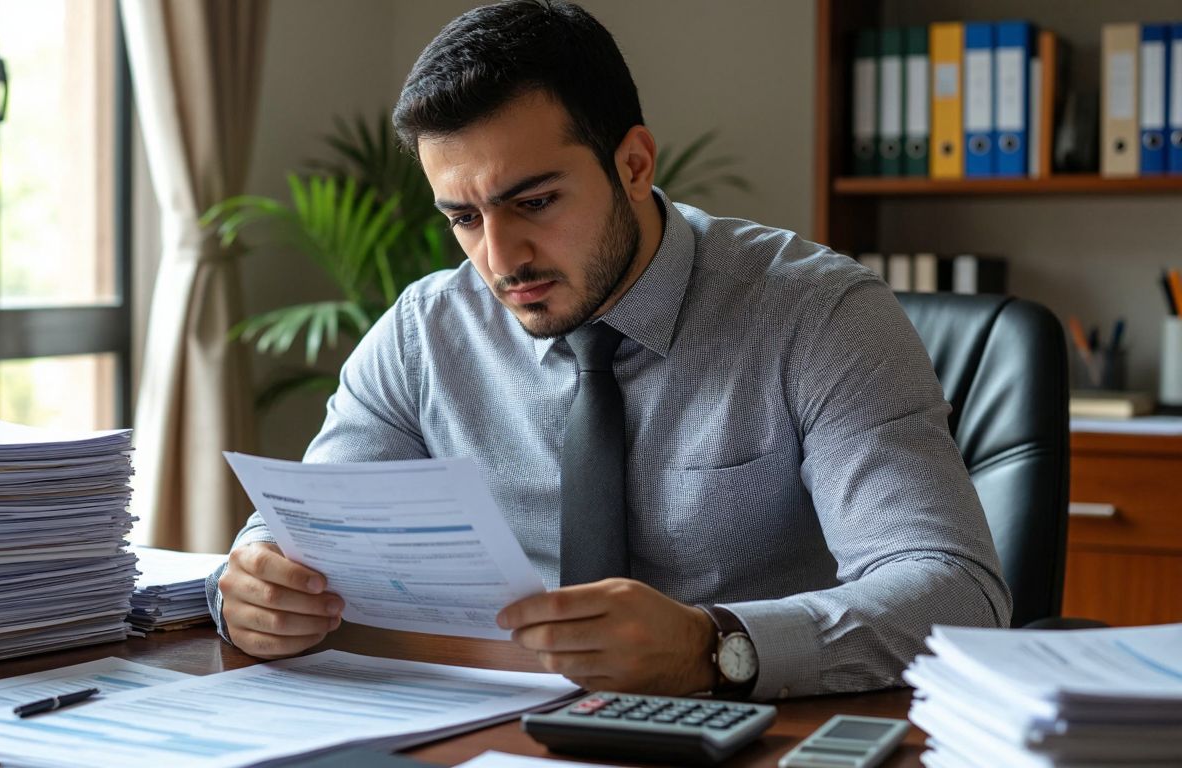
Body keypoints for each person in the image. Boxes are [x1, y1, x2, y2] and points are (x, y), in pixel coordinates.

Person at [206, 0, 1009, 700]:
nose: (500, 258)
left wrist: (714, 647)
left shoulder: (817, 315)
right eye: (463, 218)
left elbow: (956, 591)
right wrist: (253, 583)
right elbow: (299, 532)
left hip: (755, 730)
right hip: (497, 725)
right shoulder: (425, 333)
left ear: (633, 164)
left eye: (535, 202)